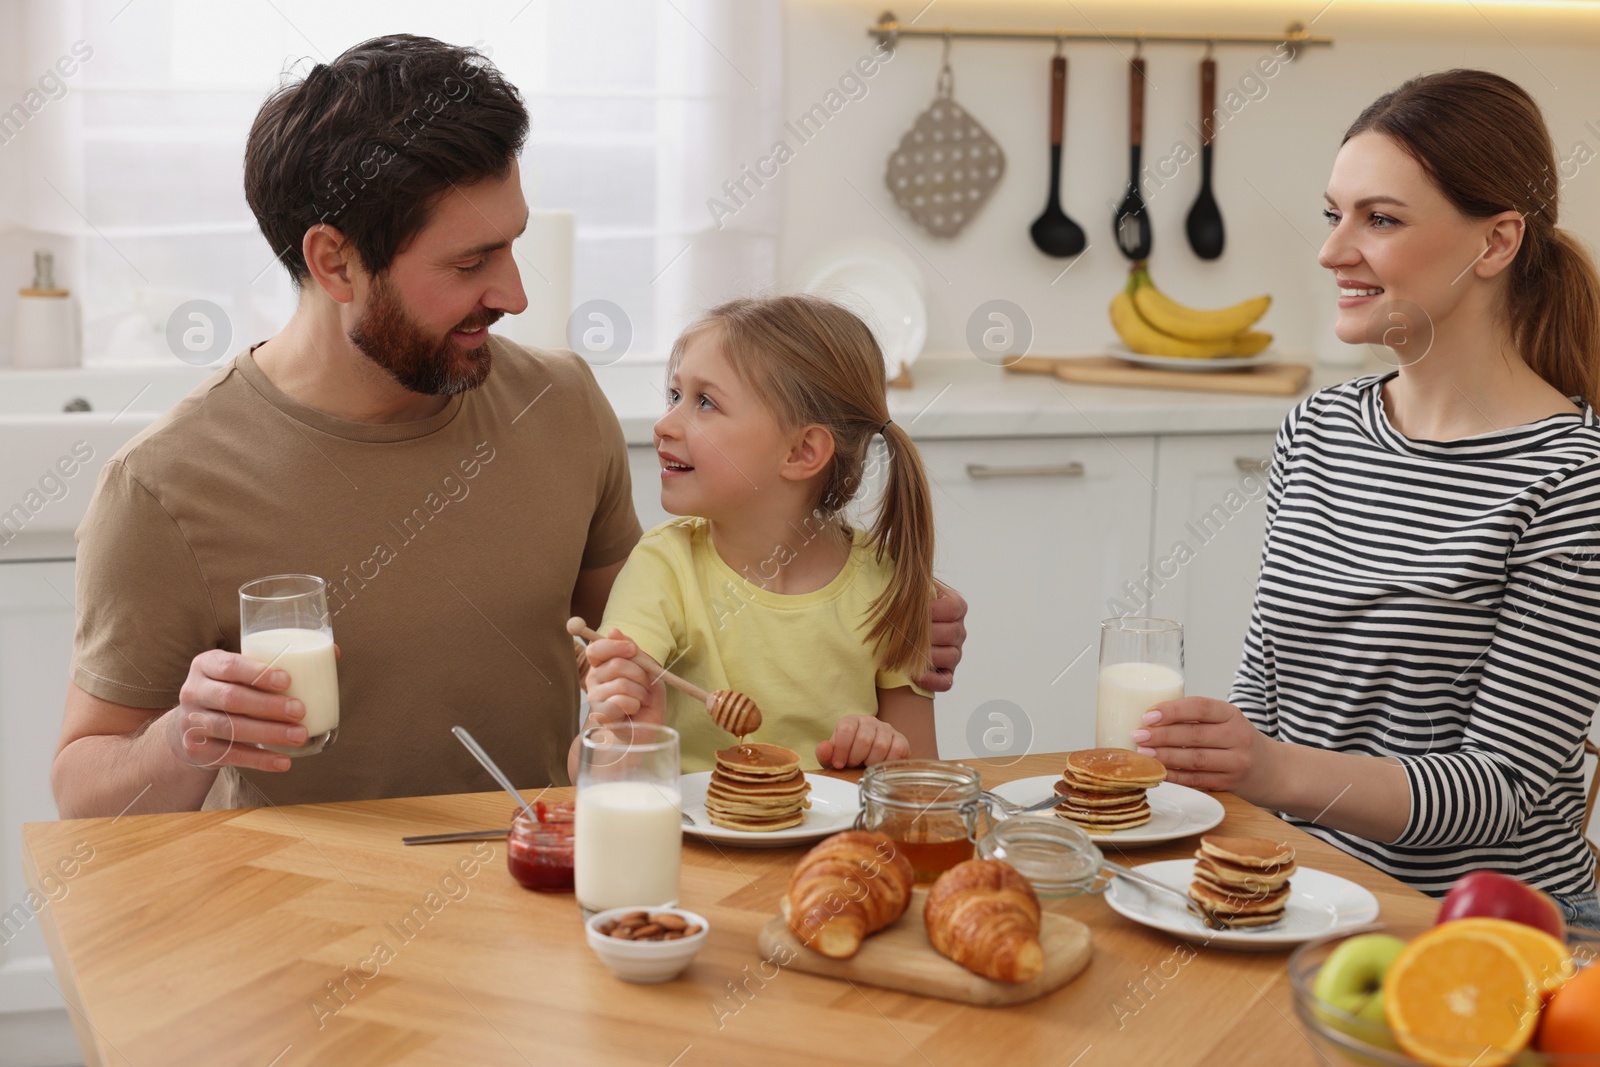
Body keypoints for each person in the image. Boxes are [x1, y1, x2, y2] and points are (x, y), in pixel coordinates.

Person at [49, 35, 969, 819]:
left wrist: (864, 620)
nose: (516, 293)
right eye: (472, 260)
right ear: (335, 260)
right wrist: (186, 736)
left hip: (545, 893)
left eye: (515, 241)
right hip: (304, 935)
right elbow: (84, 787)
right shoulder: (165, 485)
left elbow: (674, 641)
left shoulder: (562, 405)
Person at [1132, 70, 1600, 927]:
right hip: (1310, 889)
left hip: (1484, 925)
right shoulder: (1318, 430)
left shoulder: (1571, 480)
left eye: (1379, 219)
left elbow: (1500, 790)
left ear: (1495, 243)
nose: (1331, 250)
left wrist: (1267, 768)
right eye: (1333, 213)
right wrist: (1221, 763)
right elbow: (1269, 695)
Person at [571, 296, 940, 778]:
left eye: (705, 403)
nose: (664, 425)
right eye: (674, 395)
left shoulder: (887, 582)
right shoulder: (663, 567)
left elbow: (929, 786)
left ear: (802, 451)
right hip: (694, 849)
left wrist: (888, 756)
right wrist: (622, 734)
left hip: (836, 849)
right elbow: (588, 776)